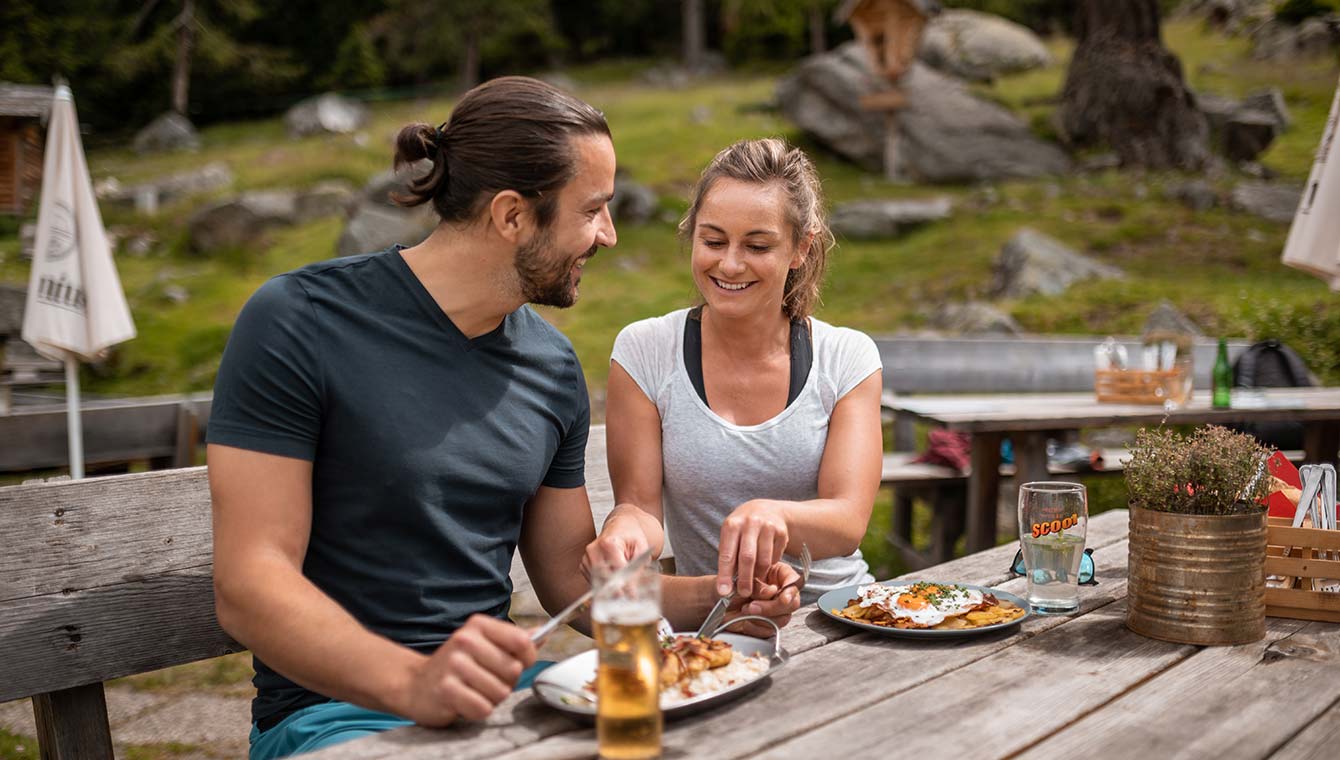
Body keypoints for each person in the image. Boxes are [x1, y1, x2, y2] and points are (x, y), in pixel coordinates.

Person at [207, 78, 800, 760]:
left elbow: (569, 584)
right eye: (592, 211)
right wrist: (414, 680)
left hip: (505, 703)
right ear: (513, 215)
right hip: (334, 717)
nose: (607, 235)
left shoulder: (550, 366)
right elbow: (249, 583)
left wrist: (728, 597)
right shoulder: (299, 321)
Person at [585, 138, 884, 605]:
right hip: (717, 618)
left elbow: (848, 522)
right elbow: (640, 509)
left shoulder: (847, 358)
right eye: (713, 240)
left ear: (800, 248)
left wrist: (775, 516)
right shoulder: (644, 351)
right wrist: (623, 531)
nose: (729, 263)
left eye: (757, 245)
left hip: (838, 614)